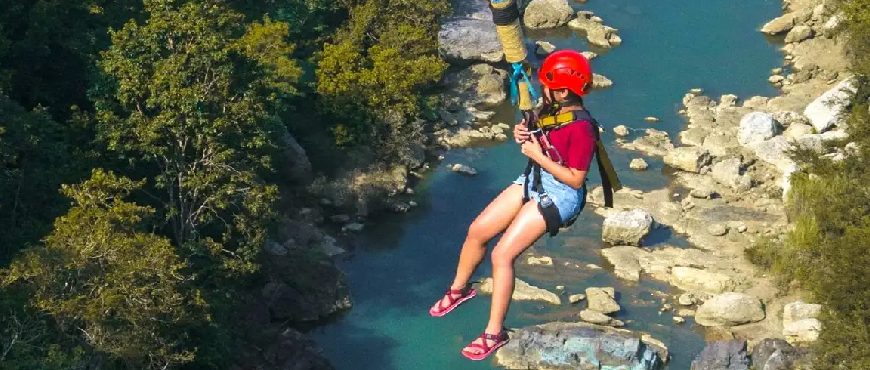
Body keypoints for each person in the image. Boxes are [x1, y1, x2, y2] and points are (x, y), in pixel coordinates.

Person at [428, 50, 602, 361]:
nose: (542, 90)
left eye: (547, 85)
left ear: (563, 91)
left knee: (501, 255)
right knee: (478, 230)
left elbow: (576, 179)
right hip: (535, 177)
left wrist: (537, 156)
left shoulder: (582, 128)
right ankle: (459, 289)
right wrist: (520, 132)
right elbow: (532, 132)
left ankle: (495, 332)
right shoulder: (551, 110)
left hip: (560, 194)